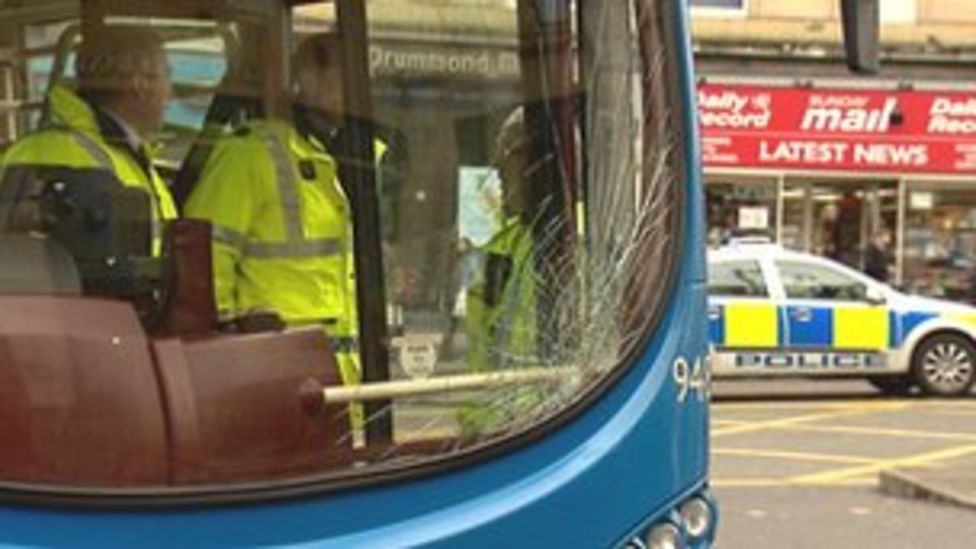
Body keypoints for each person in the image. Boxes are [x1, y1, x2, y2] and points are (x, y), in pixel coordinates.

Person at [184, 34, 365, 428]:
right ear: (305, 79)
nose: (357, 85)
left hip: (339, 376)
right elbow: (205, 260)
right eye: (342, 71)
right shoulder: (250, 152)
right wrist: (230, 347)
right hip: (273, 372)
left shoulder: (352, 154)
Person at [1, 26, 178, 251]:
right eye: (167, 76)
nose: (171, 93)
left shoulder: (125, 154)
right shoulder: (58, 154)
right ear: (140, 84)